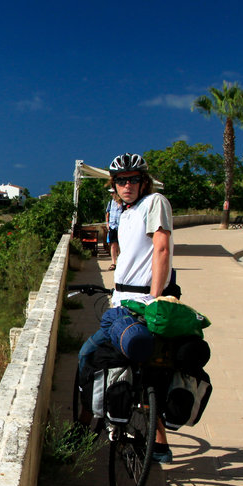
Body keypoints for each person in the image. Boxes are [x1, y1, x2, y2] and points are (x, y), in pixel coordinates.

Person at [78, 152, 176, 463]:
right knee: (143, 371)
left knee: (87, 357)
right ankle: (158, 443)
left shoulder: (154, 202)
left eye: (133, 180)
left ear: (144, 182)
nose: (127, 185)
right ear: (115, 185)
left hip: (141, 304)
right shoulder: (126, 211)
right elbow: (128, 252)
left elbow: (161, 249)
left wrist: (155, 297)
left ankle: (82, 428)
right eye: (121, 181)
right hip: (123, 299)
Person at [105, 192, 122, 271]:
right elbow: (107, 213)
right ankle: (114, 263)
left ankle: (122, 263)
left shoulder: (124, 203)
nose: (111, 194)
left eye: (112, 193)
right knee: (113, 245)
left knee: (121, 245)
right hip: (112, 226)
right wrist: (107, 223)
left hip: (121, 227)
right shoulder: (111, 202)